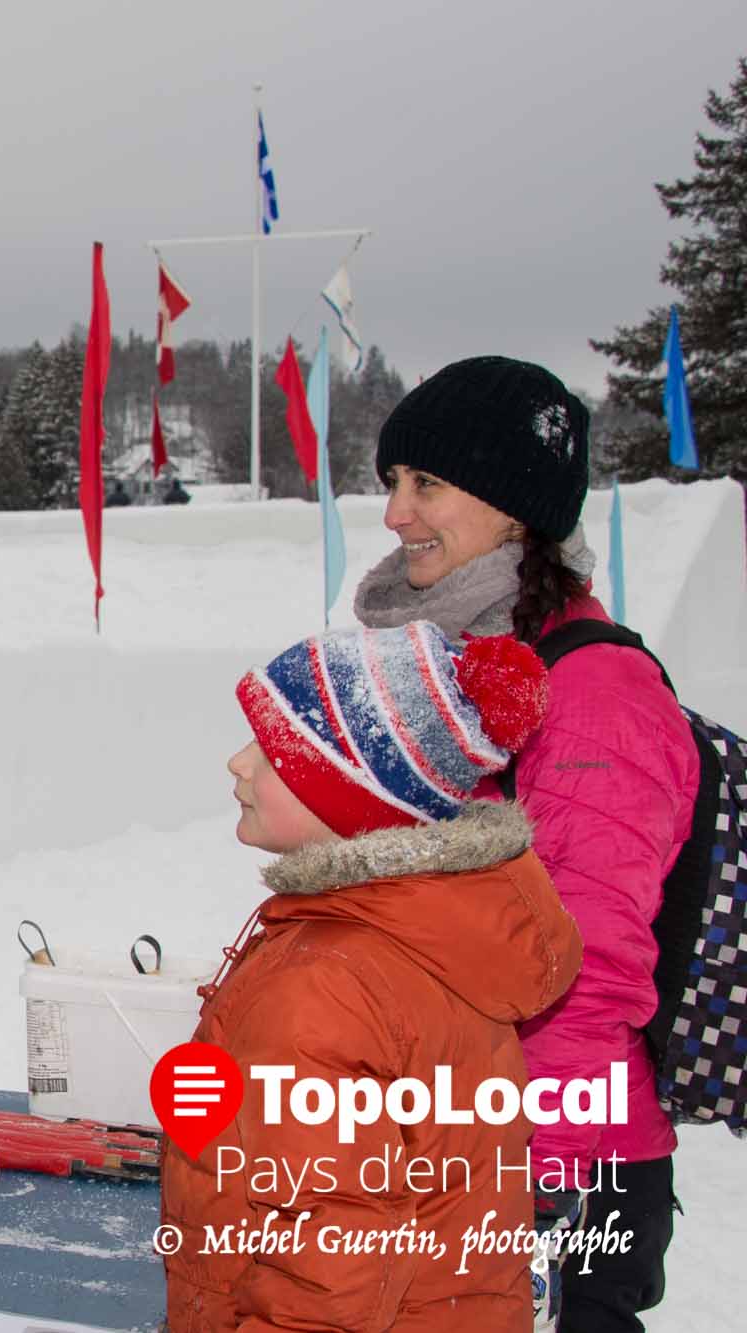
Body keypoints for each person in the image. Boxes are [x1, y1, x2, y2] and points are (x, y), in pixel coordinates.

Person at [353, 357, 696, 1331]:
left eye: (423, 484)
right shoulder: (466, 668)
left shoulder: (589, 698)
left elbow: (580, 976)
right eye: (390, 483)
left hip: (555, 1163)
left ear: (512, 507)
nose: (392, 514)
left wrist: (524, 1194)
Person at [161, 622, 581, 1331]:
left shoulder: (325, 986)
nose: (238, 762)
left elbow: (327, 1276)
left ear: (352, 795)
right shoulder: (430, 928)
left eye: (271, 748)